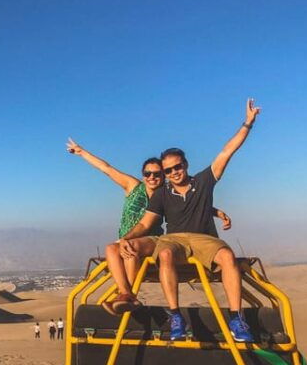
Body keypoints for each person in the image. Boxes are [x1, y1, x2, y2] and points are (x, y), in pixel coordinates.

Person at [117, 99, 261, 342]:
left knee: (227, 257)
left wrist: (247, 123)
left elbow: (227, 151)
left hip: (205, 239)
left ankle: (236, 318)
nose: (174, 173)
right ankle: (175, 316)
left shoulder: (203, 181)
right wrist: (126, 238)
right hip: (174, 240)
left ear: (186, 165)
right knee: (164, 255)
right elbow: (145, 223)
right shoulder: (162, 194)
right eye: (168, 171)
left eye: (178, 167)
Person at [68, 138, 231, 314]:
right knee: (111, 248)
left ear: (164, 175)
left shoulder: (165, 193)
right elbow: (106, 168)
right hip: (127, 236)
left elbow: (189, 204)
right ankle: (125, 293)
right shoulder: (133, 186)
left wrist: (215, 212)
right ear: (142, 174)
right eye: (147, 173)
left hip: (150, 241)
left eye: (157, 174)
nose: (152, 177)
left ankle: (127, 295)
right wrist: (81, 152)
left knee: (130, 252)